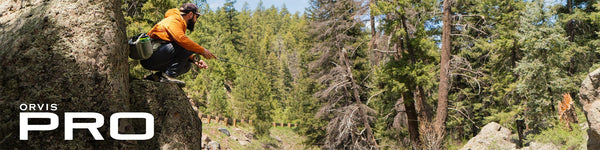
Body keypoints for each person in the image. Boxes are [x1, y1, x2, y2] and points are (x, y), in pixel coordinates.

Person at [141, 3, 216, 85]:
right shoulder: (174, 20)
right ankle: (168, 76)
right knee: (187, 46)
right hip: (151, 57)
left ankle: (157, 77)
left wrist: (194, 59)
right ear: (190, 14)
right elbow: (181, 41)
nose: (196, 20)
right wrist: (202, 50)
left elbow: (178, 48)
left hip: (155, 56)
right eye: (196, 16)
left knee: (187, 65)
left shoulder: (178, 22)